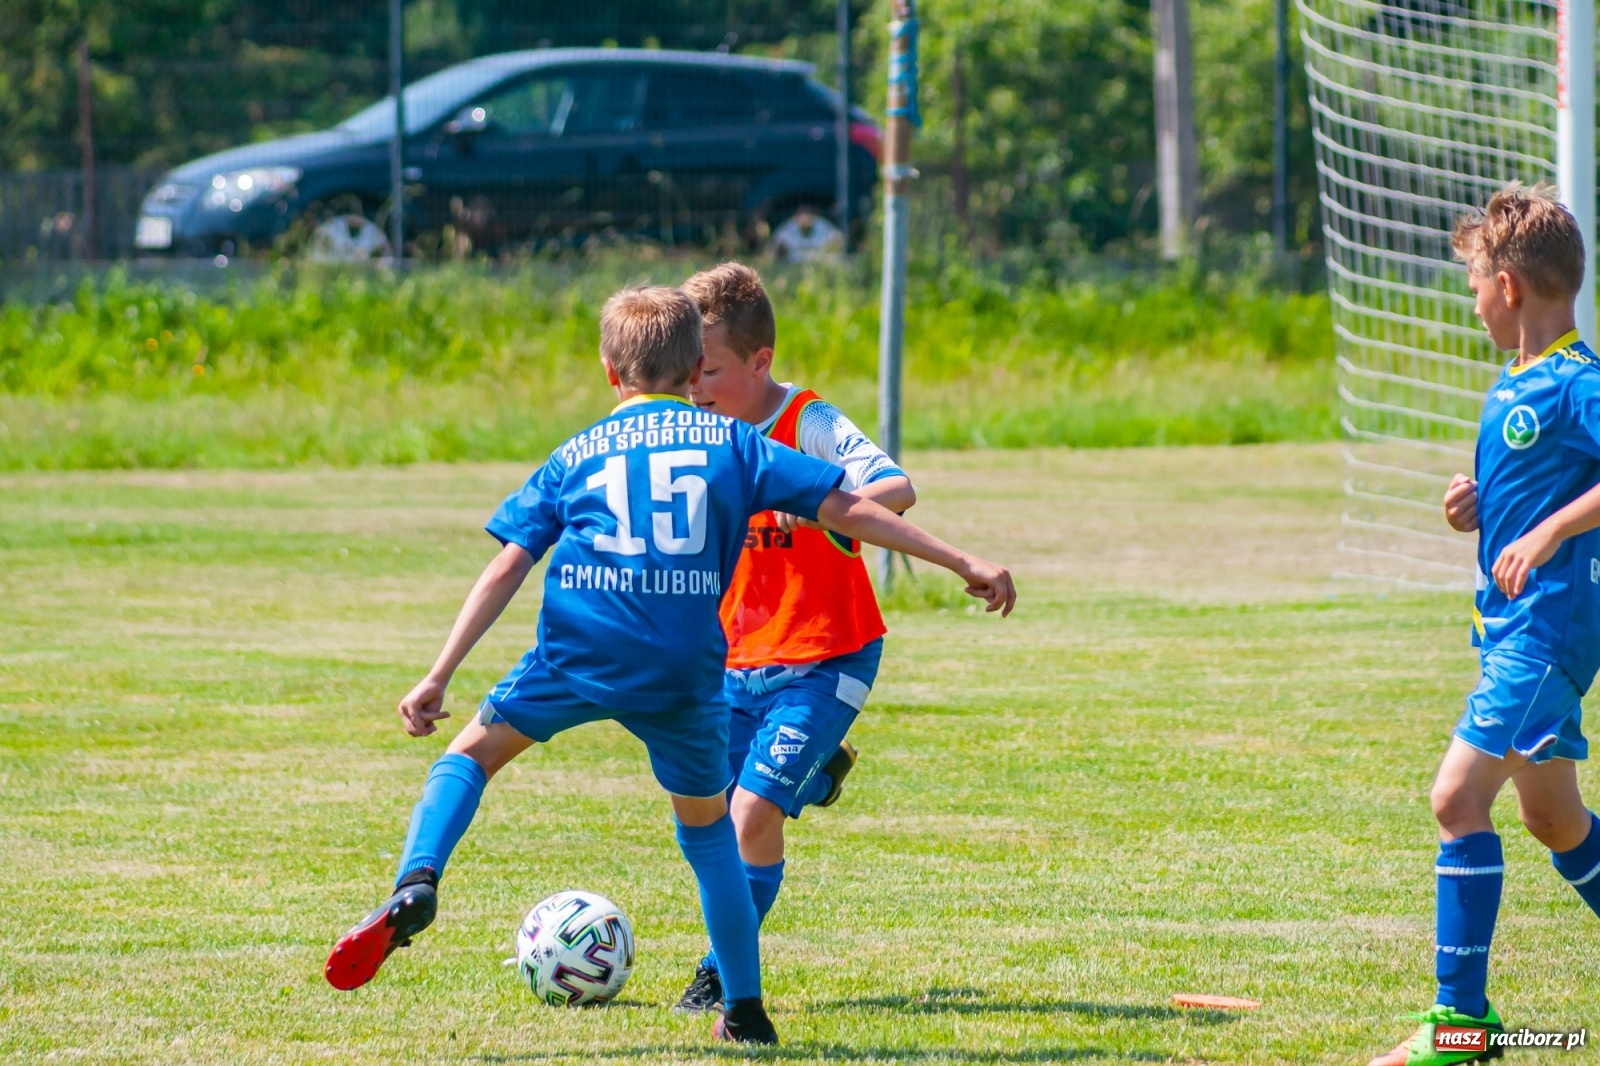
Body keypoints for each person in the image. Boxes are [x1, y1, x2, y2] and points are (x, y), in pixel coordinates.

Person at [322, 285, 1017, 1047]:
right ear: (695, 369)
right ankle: (745, 1011)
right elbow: (850, 508)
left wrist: (438, 673)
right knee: (712, 835)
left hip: (580, 650)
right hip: (688, 670)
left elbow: (509, 565)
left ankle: (417, 880)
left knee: (471, 757)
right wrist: (962, 560)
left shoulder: (576, 452)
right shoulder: (736, 443)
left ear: (608, 371)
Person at [1368, 182, 1600, 1066]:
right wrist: (1480, 508)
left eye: (1473, 286)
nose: (1472, 303)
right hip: (1511, 632)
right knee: (1557, 824)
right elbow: (1535, 490)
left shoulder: (1578, 382)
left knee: (1456, 799)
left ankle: (1458, 1028)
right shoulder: (1514, 386)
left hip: (1548, 635)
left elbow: (1570, 504)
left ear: (1508, 286)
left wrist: (1547, 530)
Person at [668, 262, 914, 1013]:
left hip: (827, 654)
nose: (695, 389)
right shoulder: (694, 433)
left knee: (749, 815)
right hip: (734, 664)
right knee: (719, 818)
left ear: (760, 361)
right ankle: (812, 770)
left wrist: (826, 508)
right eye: (685, 375)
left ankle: (719, 973)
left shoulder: (804, 421)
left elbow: (896, 486)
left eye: (709, 371)